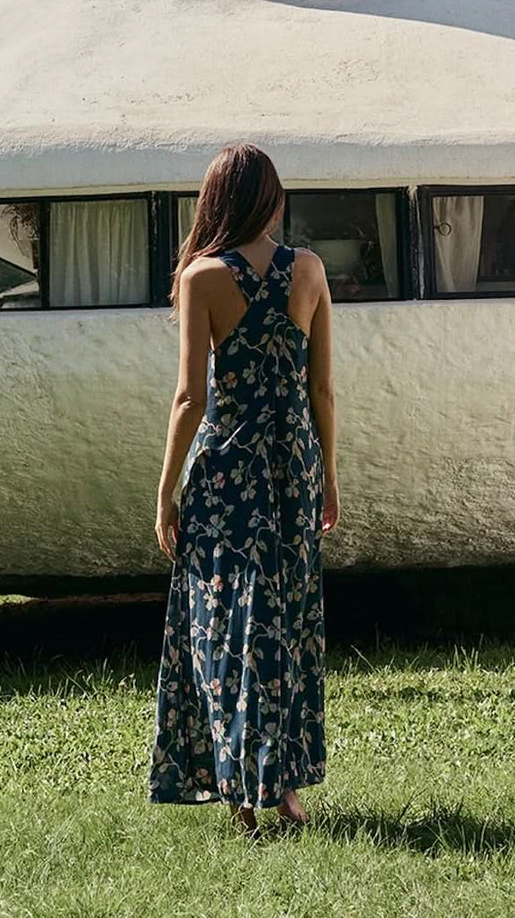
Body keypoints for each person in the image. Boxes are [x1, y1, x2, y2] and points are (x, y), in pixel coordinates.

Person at [147, 143, 339, 836]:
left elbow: (188, 400)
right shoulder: (310, 270)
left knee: (225, 625)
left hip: (228, 472)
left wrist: (165, 492)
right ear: (273, 200)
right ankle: (284, 787)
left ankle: (239, 795)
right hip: (292, 466)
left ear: (214, 203)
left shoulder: (201, 277)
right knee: (285, 623)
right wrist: (330, 479)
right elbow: (321, 388)